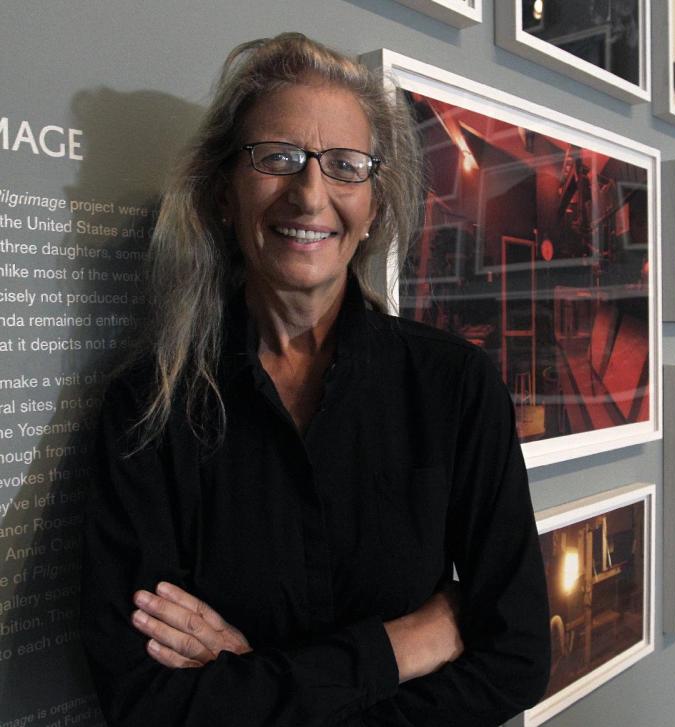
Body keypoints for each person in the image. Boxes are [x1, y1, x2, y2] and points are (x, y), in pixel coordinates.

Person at [80, 33, 550, 726]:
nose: (309, 193)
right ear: (222, 194)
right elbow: (145, 701)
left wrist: (252, 682)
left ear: (374, 208)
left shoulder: (455, 388)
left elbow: (517, 659)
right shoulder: (147, 410)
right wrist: (398, 646)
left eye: (345, 166)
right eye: (278, 158)